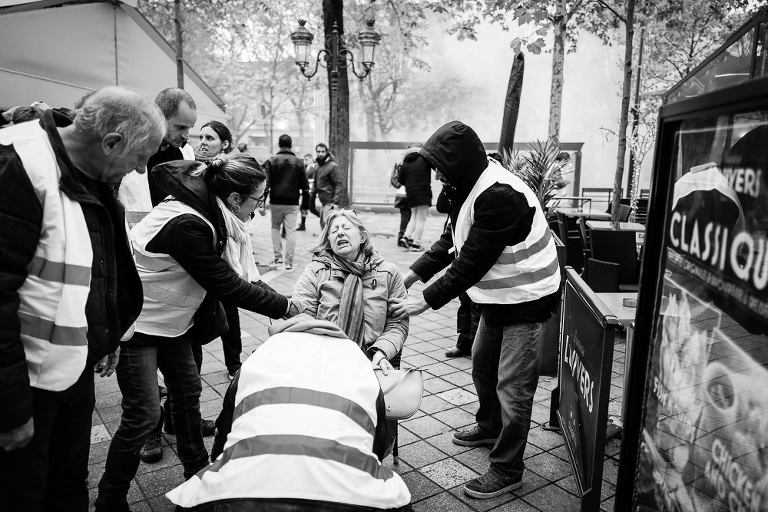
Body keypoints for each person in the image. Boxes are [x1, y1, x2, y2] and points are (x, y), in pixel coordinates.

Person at [95, 154, 296, 512]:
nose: (260, 206)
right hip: (139, 325)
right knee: (143, 415)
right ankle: (111, 498)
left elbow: (244, 277)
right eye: (258, 199)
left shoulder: (210, 210)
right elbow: (226, 284)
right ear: (235, 199)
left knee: (187, 394)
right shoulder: (189, 223)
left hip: (173, 323)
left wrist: (284, 300)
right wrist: (286, 308)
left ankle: (198, 476)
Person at [0, 87, 163, 512]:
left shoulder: (89, 171)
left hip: (70, 368)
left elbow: (97, 262)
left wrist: (103, 336)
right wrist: (11, 409)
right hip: (28, 382)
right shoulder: (17, 166)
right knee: (23, 494)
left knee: (69, 483)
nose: (142, 167)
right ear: (111, 143)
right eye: (139, 157)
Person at [390, 121, 561, 500]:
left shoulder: (500, 195)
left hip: (528, 298)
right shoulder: (466, 186)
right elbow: (450, 243)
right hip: (498, 297)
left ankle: (507, 469)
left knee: (513, 388)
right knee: (482, 366)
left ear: (459, 163)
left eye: (439, 167)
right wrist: (410, 276)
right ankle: (489, 426)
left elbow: (471, 262)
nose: (435, 175)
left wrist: (426, 300)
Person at [165, 314, 412, 512]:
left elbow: (226, 427)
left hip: (240, 493)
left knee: (194, 498)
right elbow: (378, 441)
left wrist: (221, 462)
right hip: (348, 494)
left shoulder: (260, 357)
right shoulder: (356, 360)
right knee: (396, 498)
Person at [292, 209, 408, 373]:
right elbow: (302, 320)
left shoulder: (388, 272)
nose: (340, 233)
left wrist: (381, 353)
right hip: (326, 361)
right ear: (329, 242)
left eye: (346, 228)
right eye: (334, 230)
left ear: (361, 237)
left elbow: (397, 325)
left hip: (371, 362)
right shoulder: (315, 271)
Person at [118, 88, 197, 224]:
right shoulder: (126, 150)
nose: (186, 136)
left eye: (189, 128)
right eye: (180, 127)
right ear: (159, 116)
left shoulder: (187, 152)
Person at [264, 134, 310, 271]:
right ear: (290, 145)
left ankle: (277, 257)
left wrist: (261, 203)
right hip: (292, 202)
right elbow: (306, 188)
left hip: (276, 201)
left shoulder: (272, 161)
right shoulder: (299, 162)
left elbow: (266, 184)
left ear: (279, 144)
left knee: (275, 228)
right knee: (290, 231)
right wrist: (305, 207)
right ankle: (289, 262)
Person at [398, 142, 432, 251]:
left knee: (414, 216)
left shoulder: (405, 162)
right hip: (423, 192)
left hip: (410, 193)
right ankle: (416, 244)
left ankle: (406, 236)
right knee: (421, 219)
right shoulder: (424, 160)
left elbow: (400, 180)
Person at [313, 142, 343, 228]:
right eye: (318, 151)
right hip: (323, 201)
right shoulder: (317, 166)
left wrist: (335, 202)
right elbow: (316, 183)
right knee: (323, 225)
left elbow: (339, 184)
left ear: (327, 152)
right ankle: (326, 241)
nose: (321, 154)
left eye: (323, 151)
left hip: (330, 202)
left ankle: (328, 241)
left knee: (327, 226)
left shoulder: (332, 166)